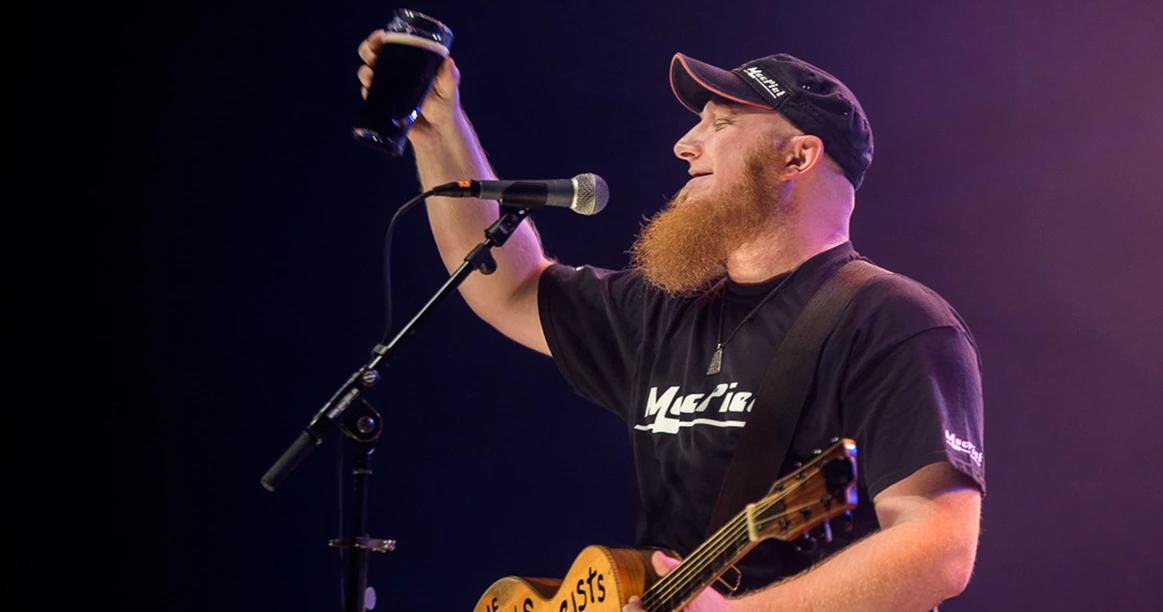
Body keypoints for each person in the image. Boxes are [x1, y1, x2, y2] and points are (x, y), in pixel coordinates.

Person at [357, 33, 986, 612]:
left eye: (720, 124)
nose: (685, 144)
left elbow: (938, 548)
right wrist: (439, 128)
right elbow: (511, 285)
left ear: (798, 156)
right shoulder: (665, 308)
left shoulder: (894, 322)